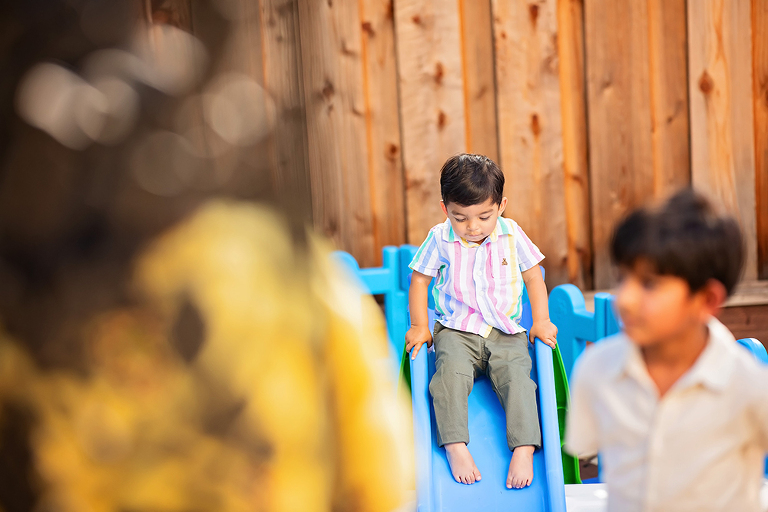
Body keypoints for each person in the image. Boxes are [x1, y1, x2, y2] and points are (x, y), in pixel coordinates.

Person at [565, 188, 768, 512]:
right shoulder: (596, 370)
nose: (625, 299)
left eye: (649, 284)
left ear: (707, 300)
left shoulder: (750, 388)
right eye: (623, 278)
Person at [405, 153, 558, 489]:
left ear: (501, 206)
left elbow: (534, 277)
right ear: (445, 209)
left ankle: (524, 446)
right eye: (461, 218)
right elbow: (419, 280)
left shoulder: (512, 234)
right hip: (457, 330)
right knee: (448, 379)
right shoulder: (440, 238)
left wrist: (542, 321)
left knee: (519, 380)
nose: (472, 227)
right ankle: (455, 444)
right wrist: (419, 326)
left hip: (506, 331)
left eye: (483, 216)